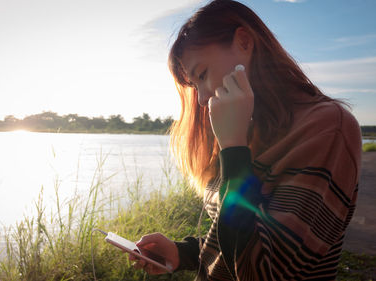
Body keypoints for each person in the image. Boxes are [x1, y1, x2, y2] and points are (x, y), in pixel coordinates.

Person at [129, 0, 362, 280]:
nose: (202, 99)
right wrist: (184, 253)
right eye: (195, 85)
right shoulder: (247, 127)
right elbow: (234, 238)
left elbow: (264, 270)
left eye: (202, 75)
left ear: (244, 41)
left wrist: (234, 150)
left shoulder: (327, 128)